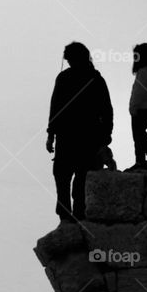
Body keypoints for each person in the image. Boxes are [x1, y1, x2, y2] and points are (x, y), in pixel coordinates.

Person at [46, 42, 114, 222]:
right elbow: (107, 110)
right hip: (84, 138)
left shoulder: (68, 78)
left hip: (74, 138)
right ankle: (73, 217)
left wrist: (51, 134)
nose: (68, 62)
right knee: (73, 178)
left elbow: (56, 107)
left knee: (66, 177)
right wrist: (106, 136)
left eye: (70, 59)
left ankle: (69, 217)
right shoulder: (95, 79)